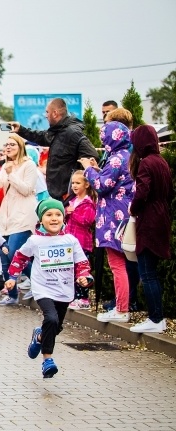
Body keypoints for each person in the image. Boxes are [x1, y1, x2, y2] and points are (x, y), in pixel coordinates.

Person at [7, 199, 92, 379]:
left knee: (55, 326)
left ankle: (39, 337)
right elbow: (20, 257)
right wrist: (13, 277)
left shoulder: (70, 240)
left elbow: (82, 263)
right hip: (43, 289)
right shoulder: (35, 241)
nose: (54, 218)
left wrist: (84, 276)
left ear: (63, 218)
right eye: (49, 215)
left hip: (64, 290)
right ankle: (47, 360)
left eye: (58, 214)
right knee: (51, 319)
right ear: (41, 219)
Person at [83, 122, 134, 323]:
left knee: (116, 264)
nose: (103, 141)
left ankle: (122, 309)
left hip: (114, 216)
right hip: (124, 212)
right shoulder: (127, 156)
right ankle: (122, 306)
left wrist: (88, 169)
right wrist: (98, 169)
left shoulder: (116, 158)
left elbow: (101, 185)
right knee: (122, 264)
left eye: (104, 137)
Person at [129, 124, 173, 333]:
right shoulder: (162, 162)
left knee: (147, 272)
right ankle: (157, 318)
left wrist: (133, 208)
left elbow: (142, 191)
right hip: (162, 216)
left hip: (149, 219)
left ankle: (156, 318)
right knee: (152, 270)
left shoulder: (145, 163)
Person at [10, 97, 99, 200]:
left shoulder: (72, 132)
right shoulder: (58, 130)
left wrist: (74, 185)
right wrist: (20, 129)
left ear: (55, 113)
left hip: (68, 196)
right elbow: (41, 136)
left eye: (47, 112)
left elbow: (92, 156)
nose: (46, 115)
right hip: (59, 195)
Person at [0, 134, 38, 305]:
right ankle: (12, 295)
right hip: (6, 216)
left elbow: (27, 189)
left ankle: (37, 281)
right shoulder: (6, 165)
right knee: (4, 257)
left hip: (23, 214)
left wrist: (12, 174)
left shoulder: (29, 165)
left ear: (20, 146)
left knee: (15, 253)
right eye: (7, 144)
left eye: (13, 144)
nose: (9, 147)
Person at [64, 170, 97, 309]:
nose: (74, 186)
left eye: (78, 183)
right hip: (70, 241)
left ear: (87, 184)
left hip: (82, 243)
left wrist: (73, 212)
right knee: (70, 270)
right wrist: (66, 213)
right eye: (73, 183)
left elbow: (88, 221)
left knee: (81, 270)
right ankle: (74, 296)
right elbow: (66, 219)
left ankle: (83, 298)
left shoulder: (88, 202)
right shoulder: (72, 201)